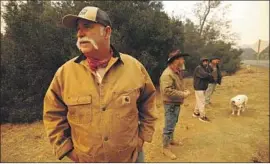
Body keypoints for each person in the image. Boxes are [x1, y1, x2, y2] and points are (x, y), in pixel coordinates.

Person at [43, 6, 157, 162]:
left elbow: (148, 102)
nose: (80, 33)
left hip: (130, 158)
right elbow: (52, 114)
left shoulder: (134, 67)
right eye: (78, 28)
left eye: (87, 26)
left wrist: (142, 138)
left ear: (107, 32)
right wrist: (67, 149)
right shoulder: (64, 74)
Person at [159, 49, 191, 160]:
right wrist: (183, 94)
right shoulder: (167, 74)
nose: (183, 60)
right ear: (175, 60)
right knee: (169, 126)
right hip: (170, 104)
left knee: (173, 123)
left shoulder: (175, 71)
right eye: (181, 58)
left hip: (175, 103)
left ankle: (170, 140)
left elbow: (177, 85)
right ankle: (165, 148)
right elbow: (167, 91)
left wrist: (183, 91)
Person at [192, 57, 213, 122]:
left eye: (206, 62)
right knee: (202, 102)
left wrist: (209, 70)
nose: (205, 63)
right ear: (201, 62)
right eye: (204, 62)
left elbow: (211, 72)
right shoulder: (199, 68)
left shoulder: (205, 68)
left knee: (199, 101)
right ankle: (202, 116)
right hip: (199, 88)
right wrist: (210, 75)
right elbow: (205, 75)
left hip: (202, 87)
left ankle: (196, 113)